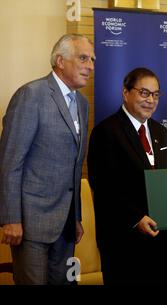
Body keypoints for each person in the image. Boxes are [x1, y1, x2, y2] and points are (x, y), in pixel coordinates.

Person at [0, 34, 95, 284]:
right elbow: (10, 162)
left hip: (66, 226)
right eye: (83, 58)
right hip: (30, 224)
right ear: (60, 61)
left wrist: (75, 217)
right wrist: (11, 218)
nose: (91, 66)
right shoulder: (31, 95)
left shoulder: (83, 104)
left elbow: (74, 167)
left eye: (92, 60)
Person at [87, 67, 167, 284]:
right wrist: (135, 218)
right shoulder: (106, 131)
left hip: (161, 236)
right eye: (144, 93)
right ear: (125, 93)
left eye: (156, 94)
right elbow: (103, 185)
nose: (151, 100)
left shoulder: (159, 131)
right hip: (124, 238)